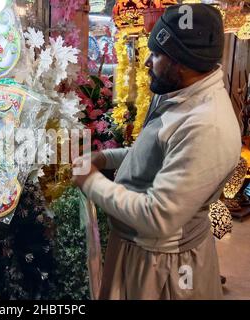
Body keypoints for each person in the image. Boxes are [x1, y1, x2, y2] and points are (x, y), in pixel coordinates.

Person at [72, 4, 241, 299]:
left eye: (158, 54)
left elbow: (157, 217)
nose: (147, 62)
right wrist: (105, 158)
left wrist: (90, 181)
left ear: (183, 63)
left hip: (162, 264)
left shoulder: (207, 125)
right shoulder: (177, 92)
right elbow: (155, 154)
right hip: (139, 248)